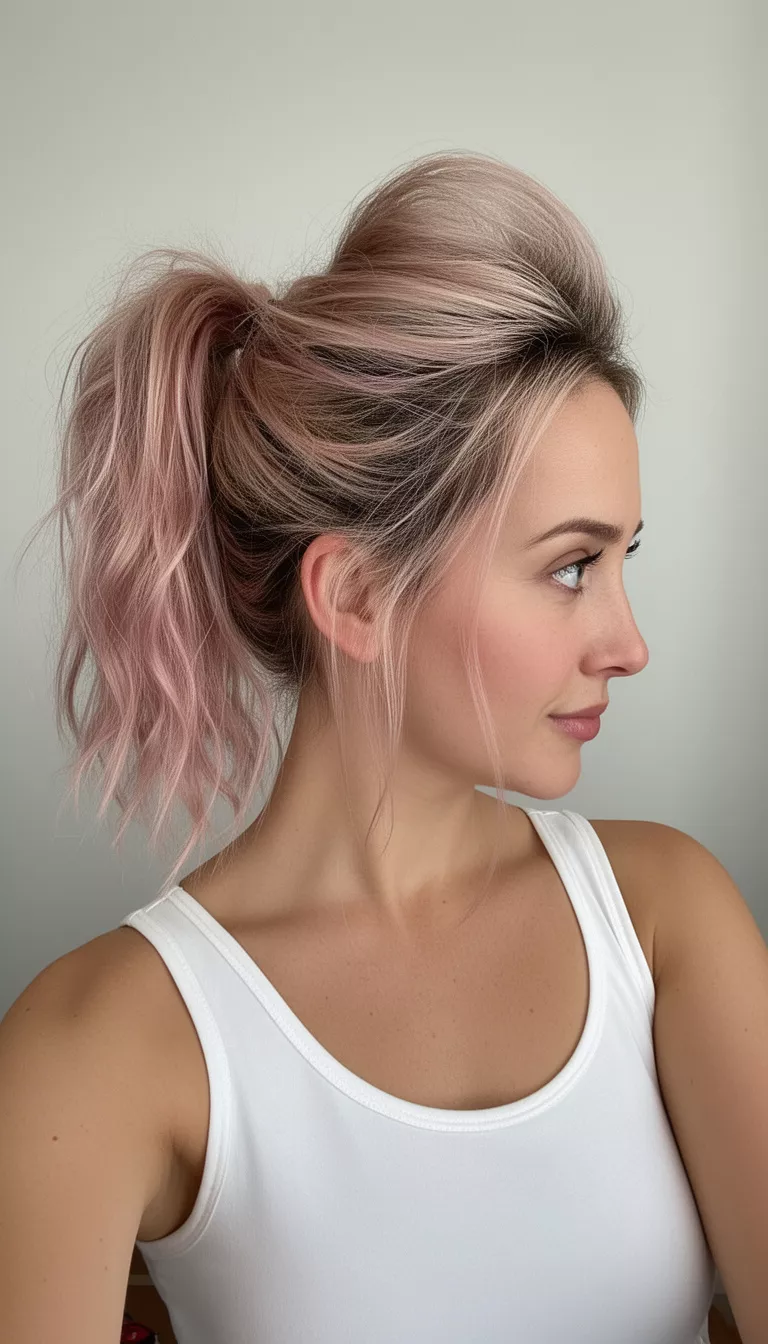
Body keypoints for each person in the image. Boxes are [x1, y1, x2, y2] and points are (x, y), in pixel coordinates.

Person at [1, 150, 761, 1343]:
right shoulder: (99, 1048)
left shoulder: (667, 919)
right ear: (355, 599)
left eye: (625, 561)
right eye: (571, 567)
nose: (628, 642)